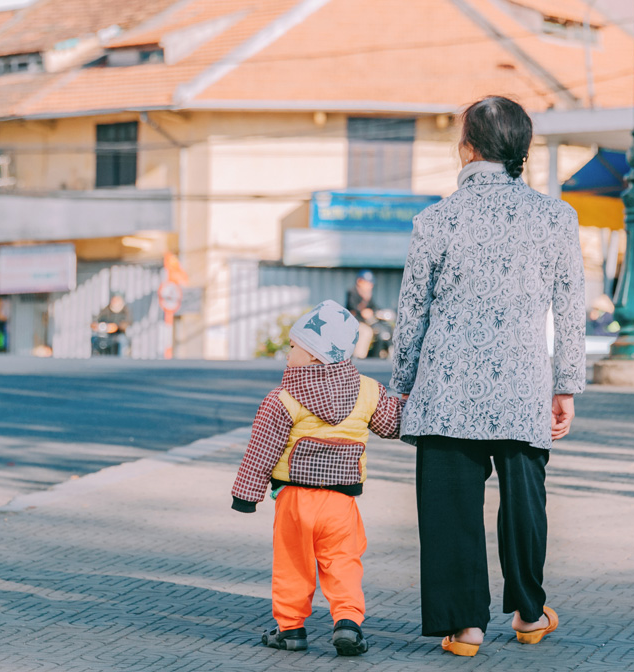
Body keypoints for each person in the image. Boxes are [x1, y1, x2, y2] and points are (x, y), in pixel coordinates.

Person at [390, 96, 586, 657]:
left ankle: (465, 628)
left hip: (445, 389)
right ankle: (528, 613)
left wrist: (402, 386)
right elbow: (570, 309)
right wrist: (564, 385)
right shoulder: (556, 218)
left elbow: (413, 314)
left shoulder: (435, 220)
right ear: (521, 150)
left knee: (450, 506)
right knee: (525, 502)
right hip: (523, 387)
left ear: (467, 148)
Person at [230, 299, 404, 656]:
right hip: (341, 503)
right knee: (343, 561)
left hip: (295, 501)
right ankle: (348, 623)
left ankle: (290, 628)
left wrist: (246, 495)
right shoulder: (368, 391)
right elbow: (392, 425)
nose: (287, 353)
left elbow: (261, 450)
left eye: (294, 347)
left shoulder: (283, 398)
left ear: (314, 356)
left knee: (293, 563)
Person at [345, 269, 378, 359]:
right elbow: (352, 306)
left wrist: (373, 312)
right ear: (359, 281)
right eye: (367, 282)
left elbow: (374, 307)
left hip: (365, 322)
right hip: (354, 321)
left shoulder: (368, 295)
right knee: (366, 331)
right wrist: (363, 312)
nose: (370, 285)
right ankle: (359, 357)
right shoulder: (352, 292)